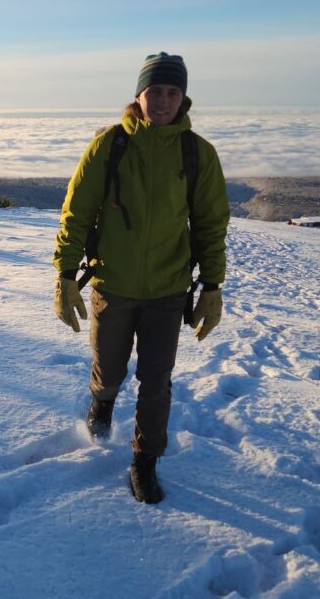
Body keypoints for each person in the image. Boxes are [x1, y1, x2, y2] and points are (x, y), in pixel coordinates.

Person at [53, 52, 229, 504]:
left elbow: (210, 225)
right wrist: (66, 276)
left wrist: (212, 286)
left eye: (173, 92)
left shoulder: (197, 154)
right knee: (108, 367)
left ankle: (144, 460)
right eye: (156, 91)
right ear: (139, 94)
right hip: (113, 285)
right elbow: (76, 214)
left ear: (184, 98)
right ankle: (101, 403)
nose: (164, 101)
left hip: (169, 291)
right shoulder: (110, 146)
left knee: (157, 381)